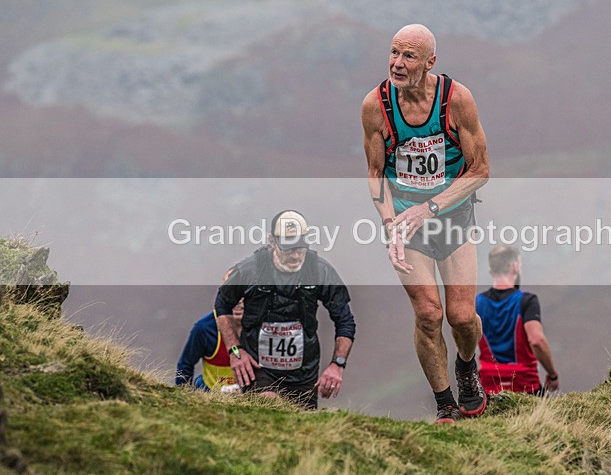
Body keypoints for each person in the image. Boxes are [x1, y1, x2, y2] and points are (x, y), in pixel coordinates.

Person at [362, 24, 490, 423]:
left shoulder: (456, 100)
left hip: (452, 218)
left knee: (462, 317)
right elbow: (375, 172)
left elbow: (481, 170)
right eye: (394, 53)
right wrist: (390, 223)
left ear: (430, 62)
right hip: (405, 223)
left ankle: (467, 367)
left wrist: (430, 208)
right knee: (429, 313)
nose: (397, 64)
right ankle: (444, 403)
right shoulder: (375, 106)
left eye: (409, 56)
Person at [214, 210, 356, 410]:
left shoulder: (320, 271)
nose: (296, 255)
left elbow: (345, 321)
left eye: (301, 248)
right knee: (269, 405)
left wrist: (337, 365)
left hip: (303, 373)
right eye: (289, 248)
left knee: (302, 429)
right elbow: (222, 304)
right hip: (258, 369)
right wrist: (235, 350)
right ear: (272, 241)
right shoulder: (249, 270)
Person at [476, 246, 559, 395]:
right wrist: (552, 375)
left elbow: (461, 346)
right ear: (515, 267)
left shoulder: (476, 303)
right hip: (525, 384)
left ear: (491, 272)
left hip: (489, 385)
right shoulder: (527, 301)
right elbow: (537, 340)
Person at [175, 296, 244, 392]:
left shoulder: (262, 324)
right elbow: (186, 364)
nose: (239, 301)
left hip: (250, 397)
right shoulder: (205, 327)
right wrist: (183, 398)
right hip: (210, 393)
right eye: (235, 293)